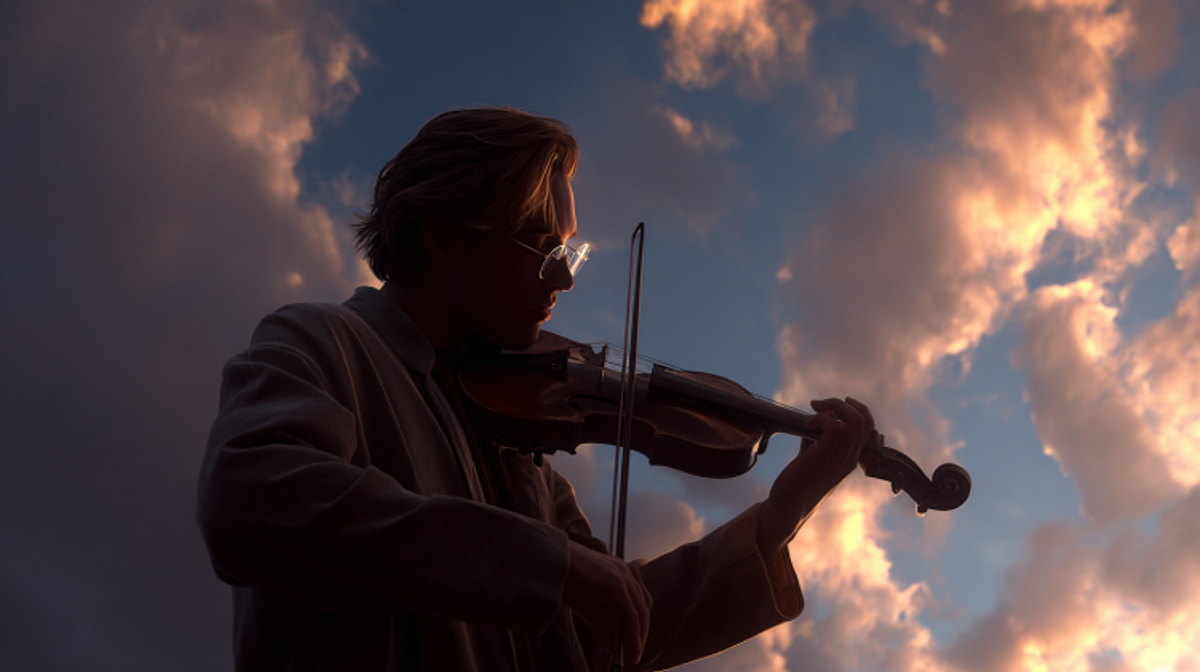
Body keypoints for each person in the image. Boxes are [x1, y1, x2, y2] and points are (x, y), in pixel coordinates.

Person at [197, 106, 874, 671]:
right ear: (445, 239)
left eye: (569, 252)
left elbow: (614, 623)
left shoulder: (516, 441)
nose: (565, 279)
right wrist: (549, 566)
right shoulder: (322, 342)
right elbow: (248, 498)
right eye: (543, 248)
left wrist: (782, 513)